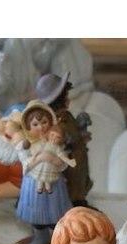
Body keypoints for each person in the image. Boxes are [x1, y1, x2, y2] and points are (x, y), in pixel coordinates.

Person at [14, 100, 72, 244]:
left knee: (55, 214)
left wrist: (53, 159)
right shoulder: (26, 145)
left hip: (54, 182)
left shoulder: (57, 140)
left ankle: (57, 239)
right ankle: (41, 236)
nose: (41, 127)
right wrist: (40, 158)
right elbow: (25, 162)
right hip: (34, 183)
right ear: (28, 126)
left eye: (44, 122)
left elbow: (63, 162)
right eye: (35, 124)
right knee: (36, 213)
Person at [35, 73, 91, 206]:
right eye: (65, 95)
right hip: (68, 159)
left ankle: (79, 200)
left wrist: (81, 131)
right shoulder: (54, 122)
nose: (68, 98)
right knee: (72, 184)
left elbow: (73, 131)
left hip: (78, 156)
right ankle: (72, 203)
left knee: (80, 180)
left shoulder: (66, 116)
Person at [24, 124, 76, 193]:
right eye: (52, 135)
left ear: (61, 139)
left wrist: (69, 161)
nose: (54, 138)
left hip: (50, 166)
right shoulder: (44, 143)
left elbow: (62, 156)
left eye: (57, 137)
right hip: (41, 165)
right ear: (48, 134)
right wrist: (34, 156)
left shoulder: (57, 148)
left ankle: (48, 188)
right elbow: (38, 150)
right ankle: (39, 188)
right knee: (40, 178)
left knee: (47, 179)